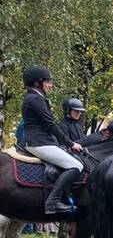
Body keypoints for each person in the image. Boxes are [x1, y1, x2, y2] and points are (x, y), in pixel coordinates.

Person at [20, 66, 85, 214]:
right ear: (37, 83)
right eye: (48, 82)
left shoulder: (33, 97)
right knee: (76, 166)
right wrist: (70, 143)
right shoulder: (35, 99)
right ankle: (52, 202)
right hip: (39, 142)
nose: (50, 85)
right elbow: (50, 125)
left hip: (39, 141)